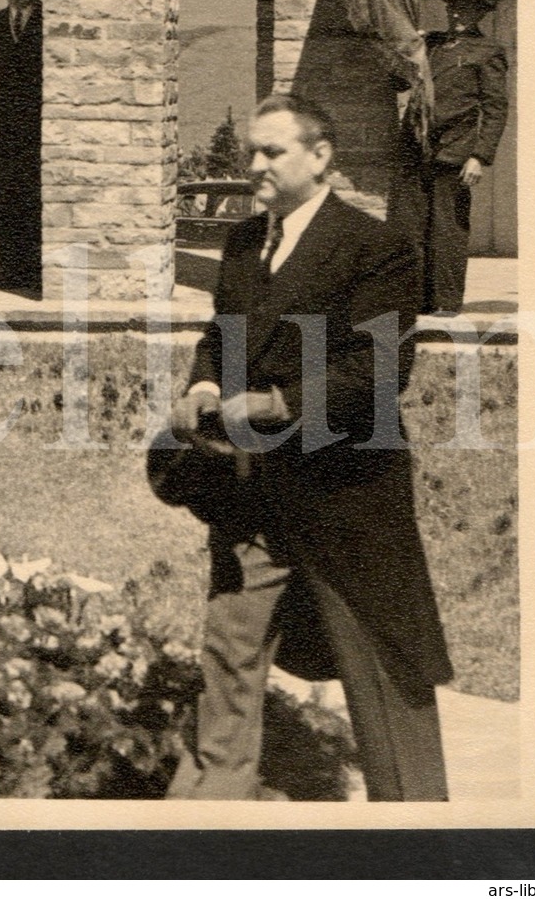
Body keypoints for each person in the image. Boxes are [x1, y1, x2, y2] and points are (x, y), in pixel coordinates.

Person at [168, 93, 452, 801]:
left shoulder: (375, 247)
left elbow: (381, 370)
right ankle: (202, 823)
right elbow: (219, 338)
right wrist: (203, 387)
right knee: (228, 658)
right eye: (250, 153)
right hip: (249, 490)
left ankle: (422, 839)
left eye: (272, 152)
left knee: (385, 677)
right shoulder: (239, 244)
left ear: (319, 157)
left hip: (347, 497)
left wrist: (272, 404)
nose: (254, 165)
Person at [389, 0, 510, 315]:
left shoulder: (488, 52)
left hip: (455, 151)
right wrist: (407, 49)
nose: (457, 14)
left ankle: (445, 303)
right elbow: (399, 81)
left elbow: (496, 108)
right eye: (454, 7)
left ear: (479, 14)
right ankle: (414, 300)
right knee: (410, 226)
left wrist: (479, 156)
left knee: (448, 229)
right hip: (415, 146)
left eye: (466, 9)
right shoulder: (432, 44)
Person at [0, 0, 44, 296]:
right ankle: (10, 271)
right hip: (3, 125)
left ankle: (35, 271)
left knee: (35, 198)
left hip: (36, 125)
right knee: (6, 197)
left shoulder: (50, 21)